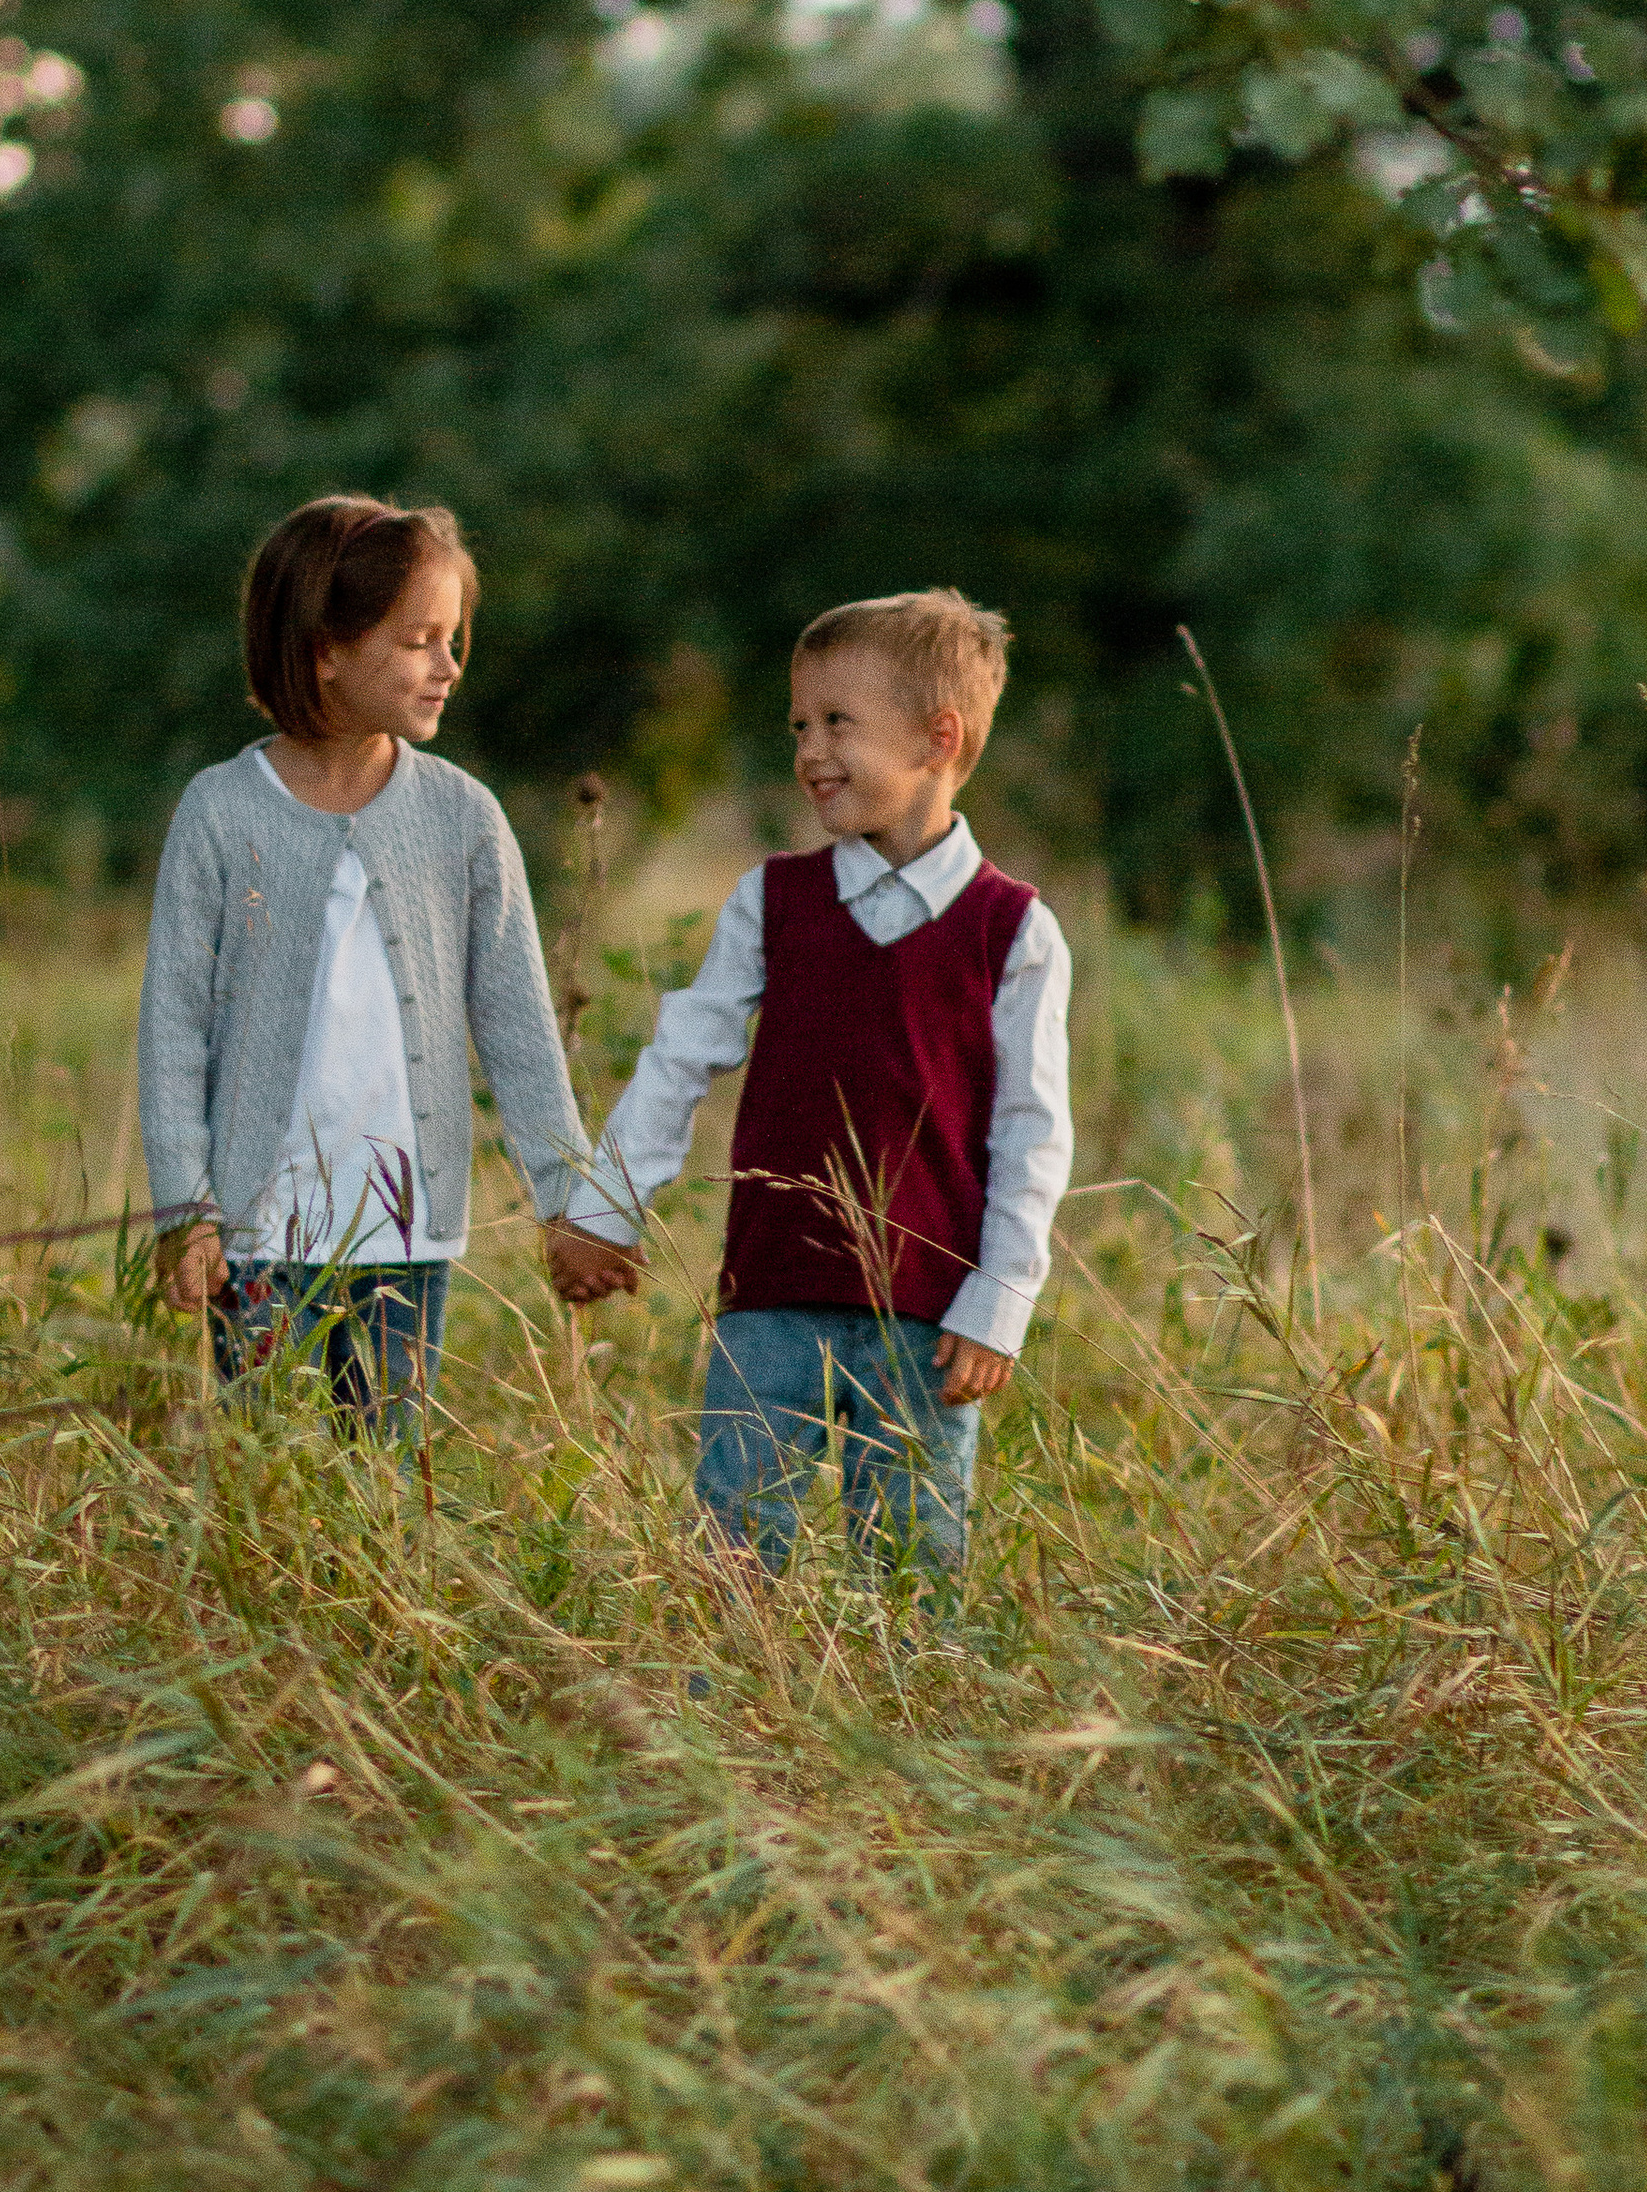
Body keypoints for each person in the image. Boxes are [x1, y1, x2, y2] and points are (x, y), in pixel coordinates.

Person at [549, 590, 1072, 1582]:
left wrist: (998, 1302)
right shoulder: (774, 901)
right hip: (769, 1301)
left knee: (913, 1580)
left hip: (924, 1321)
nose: (809, 749)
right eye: (799, 725)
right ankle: (728, 1724)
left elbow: (1031, 1133)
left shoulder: (1012, 930)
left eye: (838, 722)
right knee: (733, 1565)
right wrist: (605, 1210)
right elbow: (680, 1058)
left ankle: (910, 1734)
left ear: (936, 737)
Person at [138, 494, 588, 1445]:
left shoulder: (464, 818)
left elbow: (518, 1022)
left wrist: (568, 1199)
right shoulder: (221, 812)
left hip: (406, 1237)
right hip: (256, 1240)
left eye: (453, 637)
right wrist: (188, 1210)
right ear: (324, 647)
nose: (449, 666)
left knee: (380, 1487)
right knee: (261, 1481)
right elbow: (174, 1026)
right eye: (419, 639)